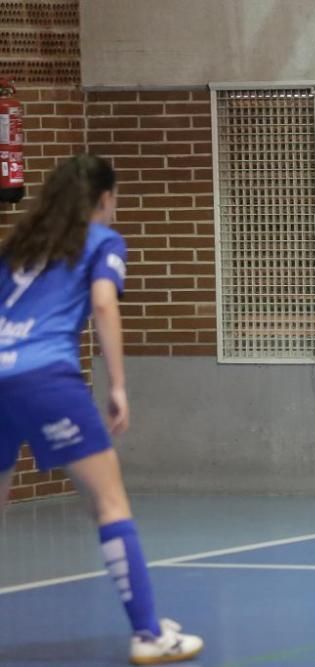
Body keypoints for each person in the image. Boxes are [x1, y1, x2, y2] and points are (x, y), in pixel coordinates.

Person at [0, 155, 203, 664]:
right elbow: (105, 304)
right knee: (110, 506)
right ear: (105, 200)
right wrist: (118, 385)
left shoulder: (18, 249)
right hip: (47, 378)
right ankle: (149, 633)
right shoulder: (101, 241)